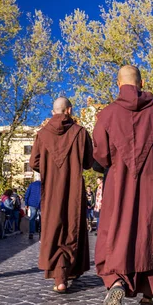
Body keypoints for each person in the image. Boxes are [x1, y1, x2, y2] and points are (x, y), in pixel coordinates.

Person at [93, 65, 153, 305]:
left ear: (118, 84)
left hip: (118, 183)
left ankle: (117, 281)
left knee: (114, 232)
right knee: (148, 235)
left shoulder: (107, 114)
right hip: (151, 181)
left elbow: (100, 153)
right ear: (141, 83)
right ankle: (147, 301)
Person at [30, 96, 93, 293]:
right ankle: (68, 271)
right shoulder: (80, 133)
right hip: (74, 188)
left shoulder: (42, 134)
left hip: (51, 189)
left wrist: (49, 167)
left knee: (54, 226)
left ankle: (60, 277)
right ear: (70, 110)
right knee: (72, 226)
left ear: (53, 112)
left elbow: (34, 162)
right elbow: (89, 162)